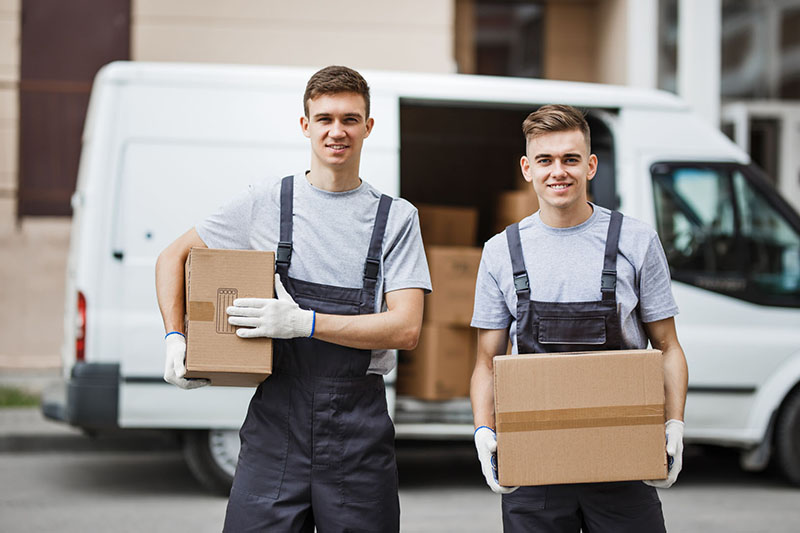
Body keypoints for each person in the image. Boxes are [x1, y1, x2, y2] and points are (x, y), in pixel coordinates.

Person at [155, 65, 431, 532]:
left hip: (356, 432)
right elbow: (171, 257)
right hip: (275, 427)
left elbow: (405, 328)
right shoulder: (266, 202)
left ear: (368, 126)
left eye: (349, 119)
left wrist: (305, 323)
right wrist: (175, 337)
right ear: (306, 126)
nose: (337, 131)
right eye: (324, 119)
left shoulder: (396, 218)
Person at [469, 104, 689, 532]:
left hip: (624, 460)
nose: (558, 172)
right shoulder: (501, 251)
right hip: (535, 465)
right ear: (526, 168)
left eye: (570, 159)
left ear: (590, 166)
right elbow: (485, 361)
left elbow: (668, 346)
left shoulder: (636, 240)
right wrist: (483, 430)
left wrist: (674, 423)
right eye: (545, 160)